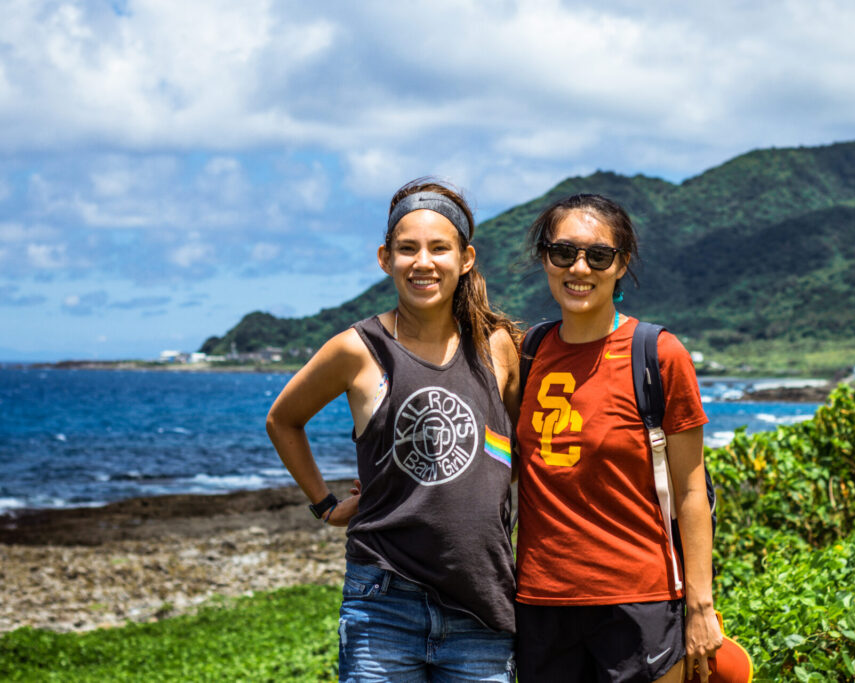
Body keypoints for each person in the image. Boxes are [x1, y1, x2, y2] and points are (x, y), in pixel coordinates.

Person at [266, 178, 520, 682]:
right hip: (383, 603)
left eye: (438, 248)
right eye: (407, 249)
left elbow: (517, 457)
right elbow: (283, 420)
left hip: (484, 604)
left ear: (465, 258)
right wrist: (325, 505)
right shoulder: (357, 349)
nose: (422, 262)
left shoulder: (499, 348)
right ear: (385, 258)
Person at [514, 193, 752, 683]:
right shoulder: (526, 354)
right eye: (563, 252)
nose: (579, 268)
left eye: (598, 256)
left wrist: (701, 607)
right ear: (545, 258)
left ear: (621, 265)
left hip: (638, 601)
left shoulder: (658, 355)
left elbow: (690, 490)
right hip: (541, 602)